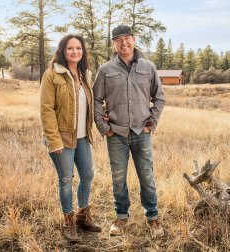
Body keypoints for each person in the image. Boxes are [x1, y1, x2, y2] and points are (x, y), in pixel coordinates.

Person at [93, 25, 165, 237]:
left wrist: (151, 123)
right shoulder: (105, 70)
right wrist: (104, 127)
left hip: (141, 133)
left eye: (127, 38)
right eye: (118, 40)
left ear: (134, 39)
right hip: (116, 133)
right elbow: (96, 100)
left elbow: (159, 97)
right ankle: (121, 216)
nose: (124, 43)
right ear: (113, 44)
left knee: (147, 176)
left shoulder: (148, 67)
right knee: (118, 178)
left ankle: (153, 217)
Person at [40, 34, 101, 241]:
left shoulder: (85, 74)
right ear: (62, 50)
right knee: (66, 180)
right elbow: (46, 110)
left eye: (78, 48)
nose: (75, 52)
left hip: (83, 137)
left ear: (83, 51)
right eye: (70, 48)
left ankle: (83, 217)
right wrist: (53, 140)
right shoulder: (52, 75)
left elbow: (87, 104)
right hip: (62, 139)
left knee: (88, 176)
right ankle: (68, 222)